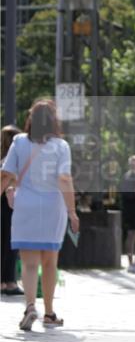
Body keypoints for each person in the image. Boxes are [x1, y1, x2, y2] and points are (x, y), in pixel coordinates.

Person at [0, 99, 79, 330]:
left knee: (29, 262)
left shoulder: (19, 142)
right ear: (54, 120)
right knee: (50, 262)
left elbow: (5, 176)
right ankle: (50, 313)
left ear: (31, 119)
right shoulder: (61, 146)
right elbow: (64, 179)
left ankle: (30, 306)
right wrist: (72, 211)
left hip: (26, 206)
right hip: (53, 207)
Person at [1, 125, 24, 296]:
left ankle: (3, 281)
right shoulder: (15, 160)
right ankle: (9, 281)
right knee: (11, 243)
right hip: (12, 204)